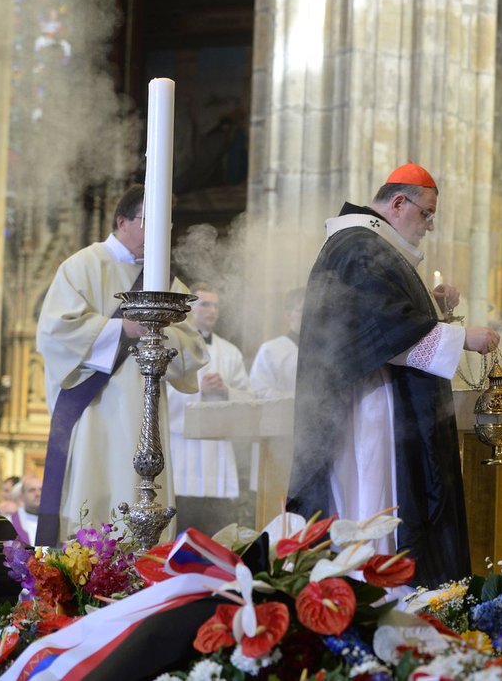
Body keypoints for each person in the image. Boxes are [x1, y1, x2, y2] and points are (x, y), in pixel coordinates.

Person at [286, 163, 500, 587]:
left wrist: (436, 315)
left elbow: (384, 319)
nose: (429, 227)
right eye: (427, 214)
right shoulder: (358, 245)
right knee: (373, 500)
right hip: (368, 407)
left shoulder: (368, 244)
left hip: (376, 398)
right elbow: (378, 326)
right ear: (398, 203)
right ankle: (375, 596)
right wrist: (461, 337)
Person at [36, 184, 208, 545]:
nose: (159, 233)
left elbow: (192, 350)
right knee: (94, 503)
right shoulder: (82, 267)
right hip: (96, 414)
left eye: (166, 224)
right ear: (122, 221)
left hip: (145, 421)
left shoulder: (164, 281)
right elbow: (54, 333)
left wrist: (160, 335)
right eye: (149, 221)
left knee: (142, 510)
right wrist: (122, 328)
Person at [167, 283, 254, 536]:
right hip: (183, 457)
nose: (212, 311)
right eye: (205, 304)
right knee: (180, 535)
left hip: (218, 458)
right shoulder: (174, 346)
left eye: (215, 305)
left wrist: (226, 392)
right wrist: (197, 389)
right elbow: (158, 398)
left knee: (218, 536)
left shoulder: (230, 352)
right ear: (189, 308)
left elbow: (249, 400)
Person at [249, 287, 303, 400]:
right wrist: (300, 400)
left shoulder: (325, 350)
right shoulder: (270, 350)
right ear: (288, 315)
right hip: (281, 416)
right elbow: (259, 392)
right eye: (303, 310)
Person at [7, 475, 42, 546]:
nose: (38, 494)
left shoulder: (55, 523)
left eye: (41, 490)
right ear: (22, 495)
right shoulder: (10, 522)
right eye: (32, 490)